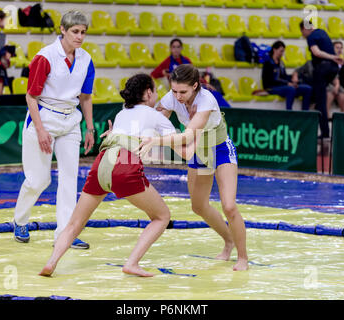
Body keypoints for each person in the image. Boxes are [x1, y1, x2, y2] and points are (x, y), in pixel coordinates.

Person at [39, 74, 192, 277]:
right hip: (124, 165)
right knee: (162, 216)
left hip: (102, 162)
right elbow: (183, 151)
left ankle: (51, 262)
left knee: (75, 223)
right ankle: (132, 263)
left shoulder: (122, 113)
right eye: (155, 91)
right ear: (148, 92)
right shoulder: (155, 116)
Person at [140, 64, 249, 271]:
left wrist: (156, 141)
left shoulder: (206, 100)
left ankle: (242, 257)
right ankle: (229, 241)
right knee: (198, 206)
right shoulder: (172, 97)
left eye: (183, 92)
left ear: (195, 86)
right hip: (198, 151)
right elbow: (152, 122)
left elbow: (189, 135)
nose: (178, 96)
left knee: (229, 206)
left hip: (219, 149)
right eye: (174, 91)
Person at [14, 10, 95, 250]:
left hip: (71, 120)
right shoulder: (45, 56)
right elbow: (31, 97)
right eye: (75, 32)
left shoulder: (86, 59)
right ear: (63, 30)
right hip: (44, 116)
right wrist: (40, 130)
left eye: (83, 32)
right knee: (38, 179)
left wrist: (89, 127)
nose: (80, 37)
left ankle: (65, 233)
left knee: (70, 179)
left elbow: (86, 97)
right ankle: (20, 220)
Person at [300, 20, 342, 137]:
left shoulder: (311, 37)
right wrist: (334, 58)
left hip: (323, 68)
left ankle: (325, 132)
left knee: (320, 100)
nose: (303, 35)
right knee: (319, 94)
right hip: (333, 69)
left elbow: (317, 52)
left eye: (302, 32)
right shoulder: (322, 32)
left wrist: (333, 57)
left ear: (305, 29)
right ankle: (316, 103)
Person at [261, 40, 312, 110]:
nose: (282, 53)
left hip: (283, 86)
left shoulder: (281, 63)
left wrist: (293, 81)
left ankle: (305, 114)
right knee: (291, 89)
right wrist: (287, 83)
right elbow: (272, 80)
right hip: (271, 87)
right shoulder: (268, 64)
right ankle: (289, 113)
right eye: (281, 51)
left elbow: (284, 76)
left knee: (307, 89)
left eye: (283, 51)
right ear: (274, 50)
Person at [325, 41, 344, 116]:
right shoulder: (329, 60)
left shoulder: (343, 61)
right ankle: (326, 116)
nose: (339, 50)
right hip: (327, 82)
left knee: (342, 96)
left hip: (338, 83)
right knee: (330, 93)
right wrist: (336, 85)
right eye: (337, 47)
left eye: (341, 48)